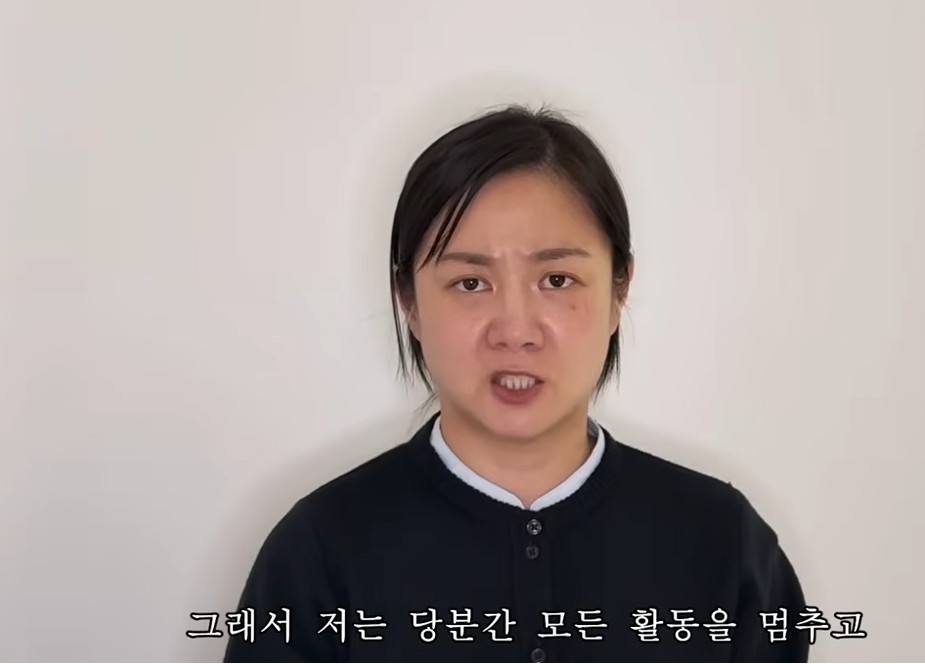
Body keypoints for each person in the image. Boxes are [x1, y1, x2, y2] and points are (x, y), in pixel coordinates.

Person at [224, 104, 808, 662]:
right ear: (410, 303)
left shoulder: (722, 542)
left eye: (557, 280)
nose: (516, 331)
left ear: (619, 291)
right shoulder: (320, 551)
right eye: (470, 284)